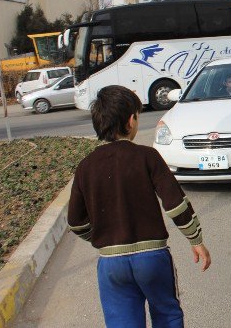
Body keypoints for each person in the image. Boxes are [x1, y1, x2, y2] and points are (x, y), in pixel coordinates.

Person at [68, 85, 211, 328]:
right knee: (167, 315)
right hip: (152, 258)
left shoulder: (86, 167)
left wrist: (104, 237)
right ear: (131, 120)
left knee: (122, 322)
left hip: (112, 264)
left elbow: (76, 222)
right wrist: (195, 240)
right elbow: (176, 205)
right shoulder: (148, 157)